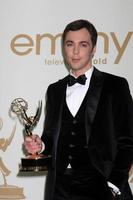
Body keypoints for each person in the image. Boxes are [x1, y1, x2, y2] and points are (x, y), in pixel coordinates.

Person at [24, 19, 133, 200]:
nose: (75, 52)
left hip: (101, 187)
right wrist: (40, 145)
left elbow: (128, 141)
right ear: (63, 48)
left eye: (83, 44)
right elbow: (51, 137)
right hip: (59, 188)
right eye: (70, 44)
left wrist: (114, 184)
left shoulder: (115, 85)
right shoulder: (54, 90)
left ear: (93, 48)